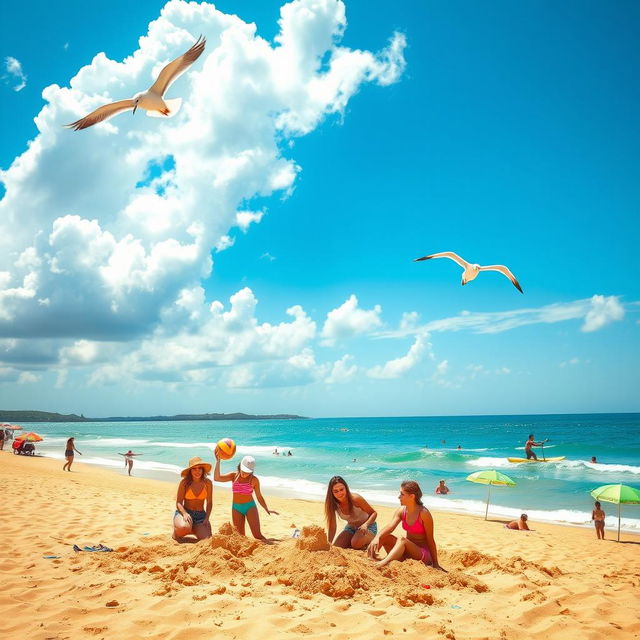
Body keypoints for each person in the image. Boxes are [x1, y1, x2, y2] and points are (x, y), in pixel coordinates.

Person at [367, 480, 442, 570]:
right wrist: (377, 537)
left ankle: (384, 562)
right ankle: (370, 558)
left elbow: (430, 540)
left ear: (412, 496)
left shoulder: (423, 514)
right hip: (406, 552)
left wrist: (436, 564)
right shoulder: (402, 510)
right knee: (385, 536)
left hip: (422, 554)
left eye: (402, 494)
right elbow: (390, 527)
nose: (399, 497)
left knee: (402, 539)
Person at [214, 452, 278, 541]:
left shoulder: (254, 480)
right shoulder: (234, 475)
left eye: (247, 472)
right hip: (236, 508)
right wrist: (218, 461)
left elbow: (259, 496)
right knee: (240, 537)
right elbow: (217, 478)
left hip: (250, 507)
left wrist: (266, 508)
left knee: (257, 535)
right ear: (240, 466)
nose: (244, 473)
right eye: (243, 470)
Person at [324, 476, 377, 550]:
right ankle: (353, 540)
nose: (339, 493)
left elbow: (374, 513)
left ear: (346, 488)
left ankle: (368, 540)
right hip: (351, 528)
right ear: (331, 492)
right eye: (335, 491)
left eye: (341, 489)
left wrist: (366, 524)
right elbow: (332, 526)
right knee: (336, 547)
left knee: (355, 543)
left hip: (368, 527)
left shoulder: (356, 499)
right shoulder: (333, 504)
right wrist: (329, 543)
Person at [173, 456, 213, 542]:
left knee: (207, 539)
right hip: (186, 512)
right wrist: (184, 513)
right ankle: (178, 531)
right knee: (183, 528)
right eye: (194, 469)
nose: (197, 471)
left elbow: (209, 502)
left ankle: (194, 528)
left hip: (200, 516)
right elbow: (178, 503)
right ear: (190, 471)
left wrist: (207, 518)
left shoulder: (208, 483)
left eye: (199, 468)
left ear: (203, 470)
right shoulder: (184, 483)